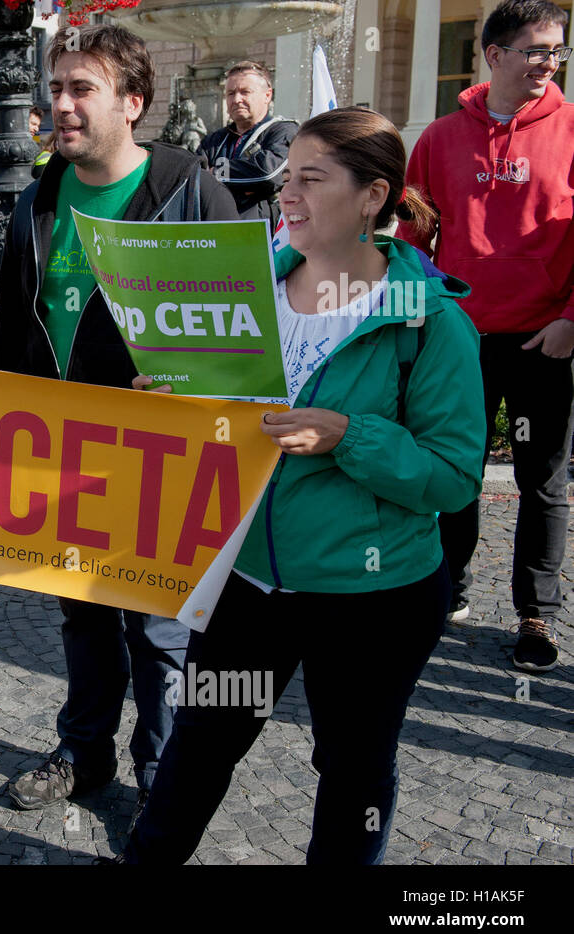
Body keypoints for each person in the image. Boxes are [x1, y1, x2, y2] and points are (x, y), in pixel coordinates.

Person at [111, 106, 486, 864]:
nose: (289, 193)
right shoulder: (246, 292)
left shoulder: (427, 319)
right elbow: (213, 420)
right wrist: (169, 401)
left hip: (374, 601)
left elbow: (452, 477)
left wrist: (350, 437)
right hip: (249, 586)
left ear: (373, 197)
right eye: (289, 178)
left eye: (312, 179)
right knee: (203, 742)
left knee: (350, 770)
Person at [0, 23, 236, 827]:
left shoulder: (189, 191)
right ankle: (84, 750)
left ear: (132, 103)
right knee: (83, 612)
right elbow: (12, 335)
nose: (59, 105)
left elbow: (237, 341)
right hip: (60, 451)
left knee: (160, 626)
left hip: (160, 456)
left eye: (80, 90)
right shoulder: (39, 197)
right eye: (55, 89)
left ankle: (160, 769)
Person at [400, 0, 574, 674]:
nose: (549, 62)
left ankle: (538, 612)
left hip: (544, 338)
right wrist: (413, 313)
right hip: (456, 340)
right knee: (454, 474)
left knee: (545, 481)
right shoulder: (441, 139)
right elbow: (412, 236)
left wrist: (570, 322)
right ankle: (449, 589)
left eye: (556, 50)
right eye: (534, 49)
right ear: (493, 54)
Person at [197, 61, 297, 226]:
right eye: (230, 93)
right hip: (217, 232)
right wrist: (246, 178)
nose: (237, 99)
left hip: (265, 235)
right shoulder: (214, 140)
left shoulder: (283, 131)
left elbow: (268, 174)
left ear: (267, 95)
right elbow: (195, 180)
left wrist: (215, 173)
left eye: (245, 92)